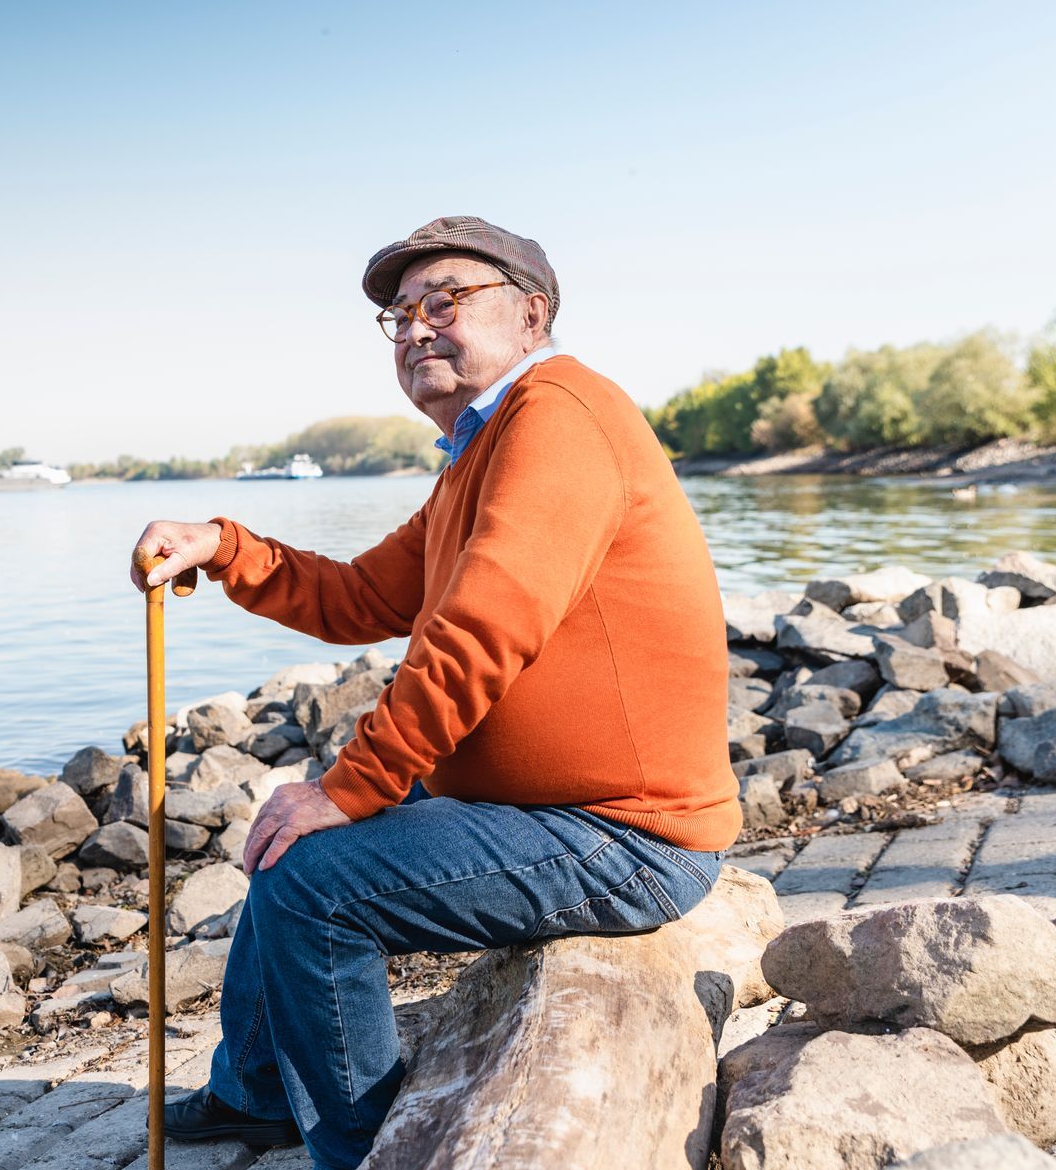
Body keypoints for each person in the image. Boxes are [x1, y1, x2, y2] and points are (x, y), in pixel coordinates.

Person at [128, 215, 740, 1170]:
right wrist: (226, 546)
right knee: (288, 834)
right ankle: (254, 1094)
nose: (415, 327)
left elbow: (482, 628)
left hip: (624, 831)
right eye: (401, 314)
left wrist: (348, 786)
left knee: (310, 883)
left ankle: (364, 1151)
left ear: (531, 313)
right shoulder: (480, 448)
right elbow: (364, 594)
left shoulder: (560, 415)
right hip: (537, 805)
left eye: (444, 301)